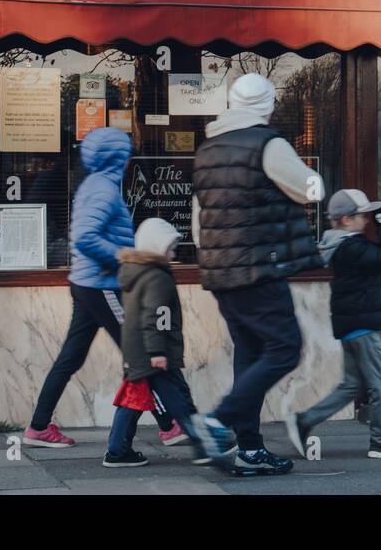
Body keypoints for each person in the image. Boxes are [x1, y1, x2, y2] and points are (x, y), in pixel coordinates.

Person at [191, 73, 324, 476]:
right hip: (259, 268)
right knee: (284, 349)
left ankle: (249, 447)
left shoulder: (207, 149)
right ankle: (216, 422)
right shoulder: (269, 144)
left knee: (249, 355)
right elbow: (310, 191)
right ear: (266, 105)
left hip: (219, 271)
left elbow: (200, 218)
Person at [23, 126, 185, 448]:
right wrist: (124, 260)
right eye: (125, 154)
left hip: (88, 283)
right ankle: (171, 424)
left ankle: (38, 427)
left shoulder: (98, 184)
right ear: (116, 157)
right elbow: (84, 237)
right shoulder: (102, 189)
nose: (128, 160)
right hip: (102, 284)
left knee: (71, 357)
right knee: (140, 350)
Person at [285, 189, 381, 460]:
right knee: (380, 383)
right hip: (363, 324)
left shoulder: (343, 245)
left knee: (352, 384)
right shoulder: (351, 247)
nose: (367, 220)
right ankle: (380, 441)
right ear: (346, 220)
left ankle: (303, 421)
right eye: (363, 216)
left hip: (354, 323)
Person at [104, 218, 215, 467]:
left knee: (132, 399)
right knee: (178, 399)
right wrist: (158, 351)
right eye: (170, 247)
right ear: (156, 247)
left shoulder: (134, 273)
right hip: (154, 352)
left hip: (136, 350)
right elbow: (157, 315)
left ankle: (117, 450)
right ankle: (204, 445)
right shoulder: (158, 277)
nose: (173, 252)